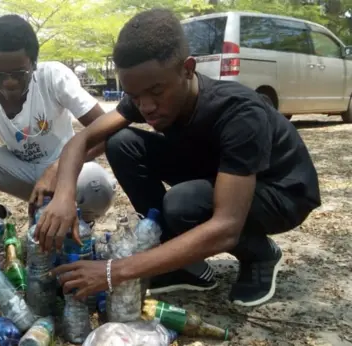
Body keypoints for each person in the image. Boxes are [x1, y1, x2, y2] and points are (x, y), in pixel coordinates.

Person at [40, 8, 321, 307]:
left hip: (282, 192)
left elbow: (226, 226)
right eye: (134, 96)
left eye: (155, 92)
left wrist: (115, 271)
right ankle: (179, 263)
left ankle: (260, 254)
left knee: (183, 203)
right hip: (218, 172)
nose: (146, 107)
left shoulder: (239, 113)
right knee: (122, 143)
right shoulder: (149, 92)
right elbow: (82, 140)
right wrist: (63, 193)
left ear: (187, 69)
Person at [0, 14, 116, 247]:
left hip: (68, 173)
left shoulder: (53, 78)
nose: (9, 83)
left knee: (98, 183)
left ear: (34, 65)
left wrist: (58, 169)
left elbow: (107, 130)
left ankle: (77, 225)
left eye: (19, 74)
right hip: (23, 174)